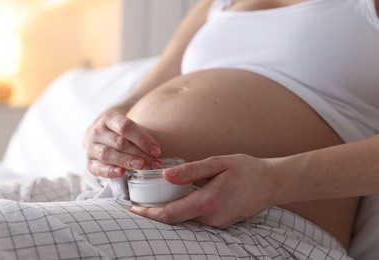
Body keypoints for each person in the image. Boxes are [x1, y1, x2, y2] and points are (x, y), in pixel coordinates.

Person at [83, 0, 379, 254]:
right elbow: (138, 94)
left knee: (34, 229)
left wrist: (275, 180)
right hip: (112, 194)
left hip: (262, 231)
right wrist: (108, 124)